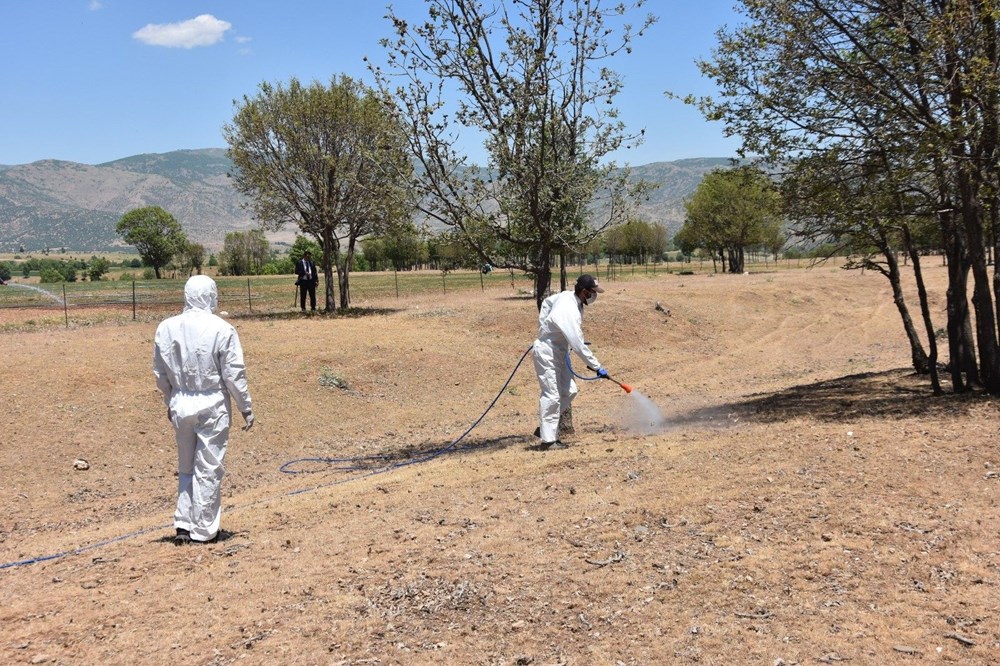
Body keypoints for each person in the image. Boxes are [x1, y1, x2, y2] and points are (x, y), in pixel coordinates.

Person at [153, 275, 254, 545]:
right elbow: (233, 374)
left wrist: (170, 399)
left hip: (181, 402)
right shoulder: (222, 329)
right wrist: (245, 406)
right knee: (208, 467)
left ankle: (183, 525)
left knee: (186, 466)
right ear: (210, 295)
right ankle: (204, 530)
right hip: (212, 404)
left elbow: (160, 372)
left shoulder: (166, 327)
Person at [532, 274, 608, 450]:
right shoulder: (570, 310)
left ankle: (545, 428)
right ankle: (548, 441)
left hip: (559, 351)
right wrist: (597, 367)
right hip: (547, 353)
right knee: (551, 394)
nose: (594, 295)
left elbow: (546, 303)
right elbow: (578, 344)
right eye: (592, 292)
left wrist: (547, 327)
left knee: (570, 390)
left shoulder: (569, 298)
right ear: (583, 291)